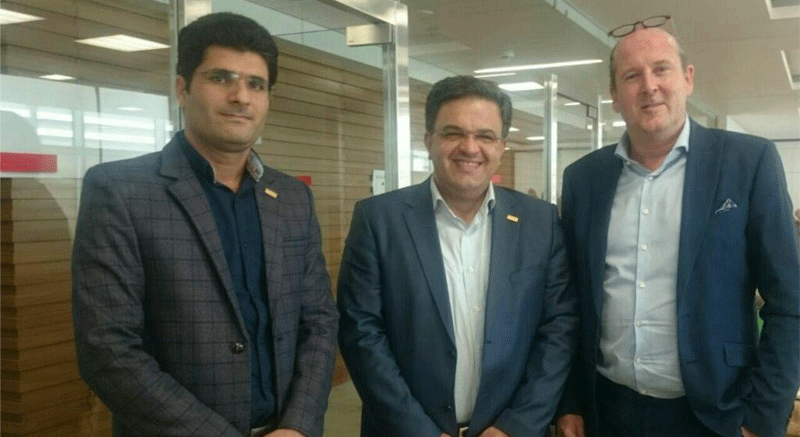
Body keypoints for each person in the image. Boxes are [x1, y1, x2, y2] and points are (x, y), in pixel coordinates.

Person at [72, 13, 338, 437]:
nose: (241, 96)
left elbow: (319, 321)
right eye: (221, 78)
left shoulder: (292, 198)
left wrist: (299, 425)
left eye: (256, 84)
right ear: (182, 88)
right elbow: (108, 350)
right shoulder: (120, 191)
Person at [556, 26, 800, 437]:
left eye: (661, 69)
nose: (649, 86)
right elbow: (571, 301)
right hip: (607, 411)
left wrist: (762, 418)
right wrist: (571, 402)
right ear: (615, 95)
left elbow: (790, 301)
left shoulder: (748, 162)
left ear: (687, 78)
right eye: (631, 76)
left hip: (716, 413)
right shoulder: (583, 179)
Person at [337, 75, 578, 437]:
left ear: (502, 146)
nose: (469, 147)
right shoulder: (378, 220)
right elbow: (361, 333)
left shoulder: (540, 222)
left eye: (485, 136)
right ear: (428, 141)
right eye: (453, 133)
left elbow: (558, 327)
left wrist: (515, 425)